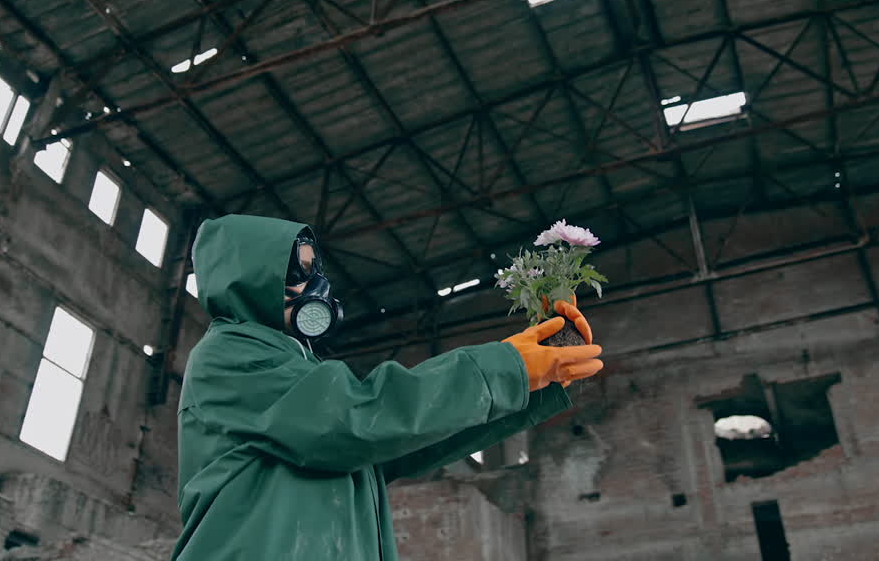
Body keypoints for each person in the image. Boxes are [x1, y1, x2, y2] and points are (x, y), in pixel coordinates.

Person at [173, 214, 604, 561]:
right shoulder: (231, 354)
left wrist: (531, 382)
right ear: (251, 278)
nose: (315, 286)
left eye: (314, 271)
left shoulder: (296, 365)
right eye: (299, 273)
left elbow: (395, 442)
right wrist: (504, 368)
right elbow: (356, 419)